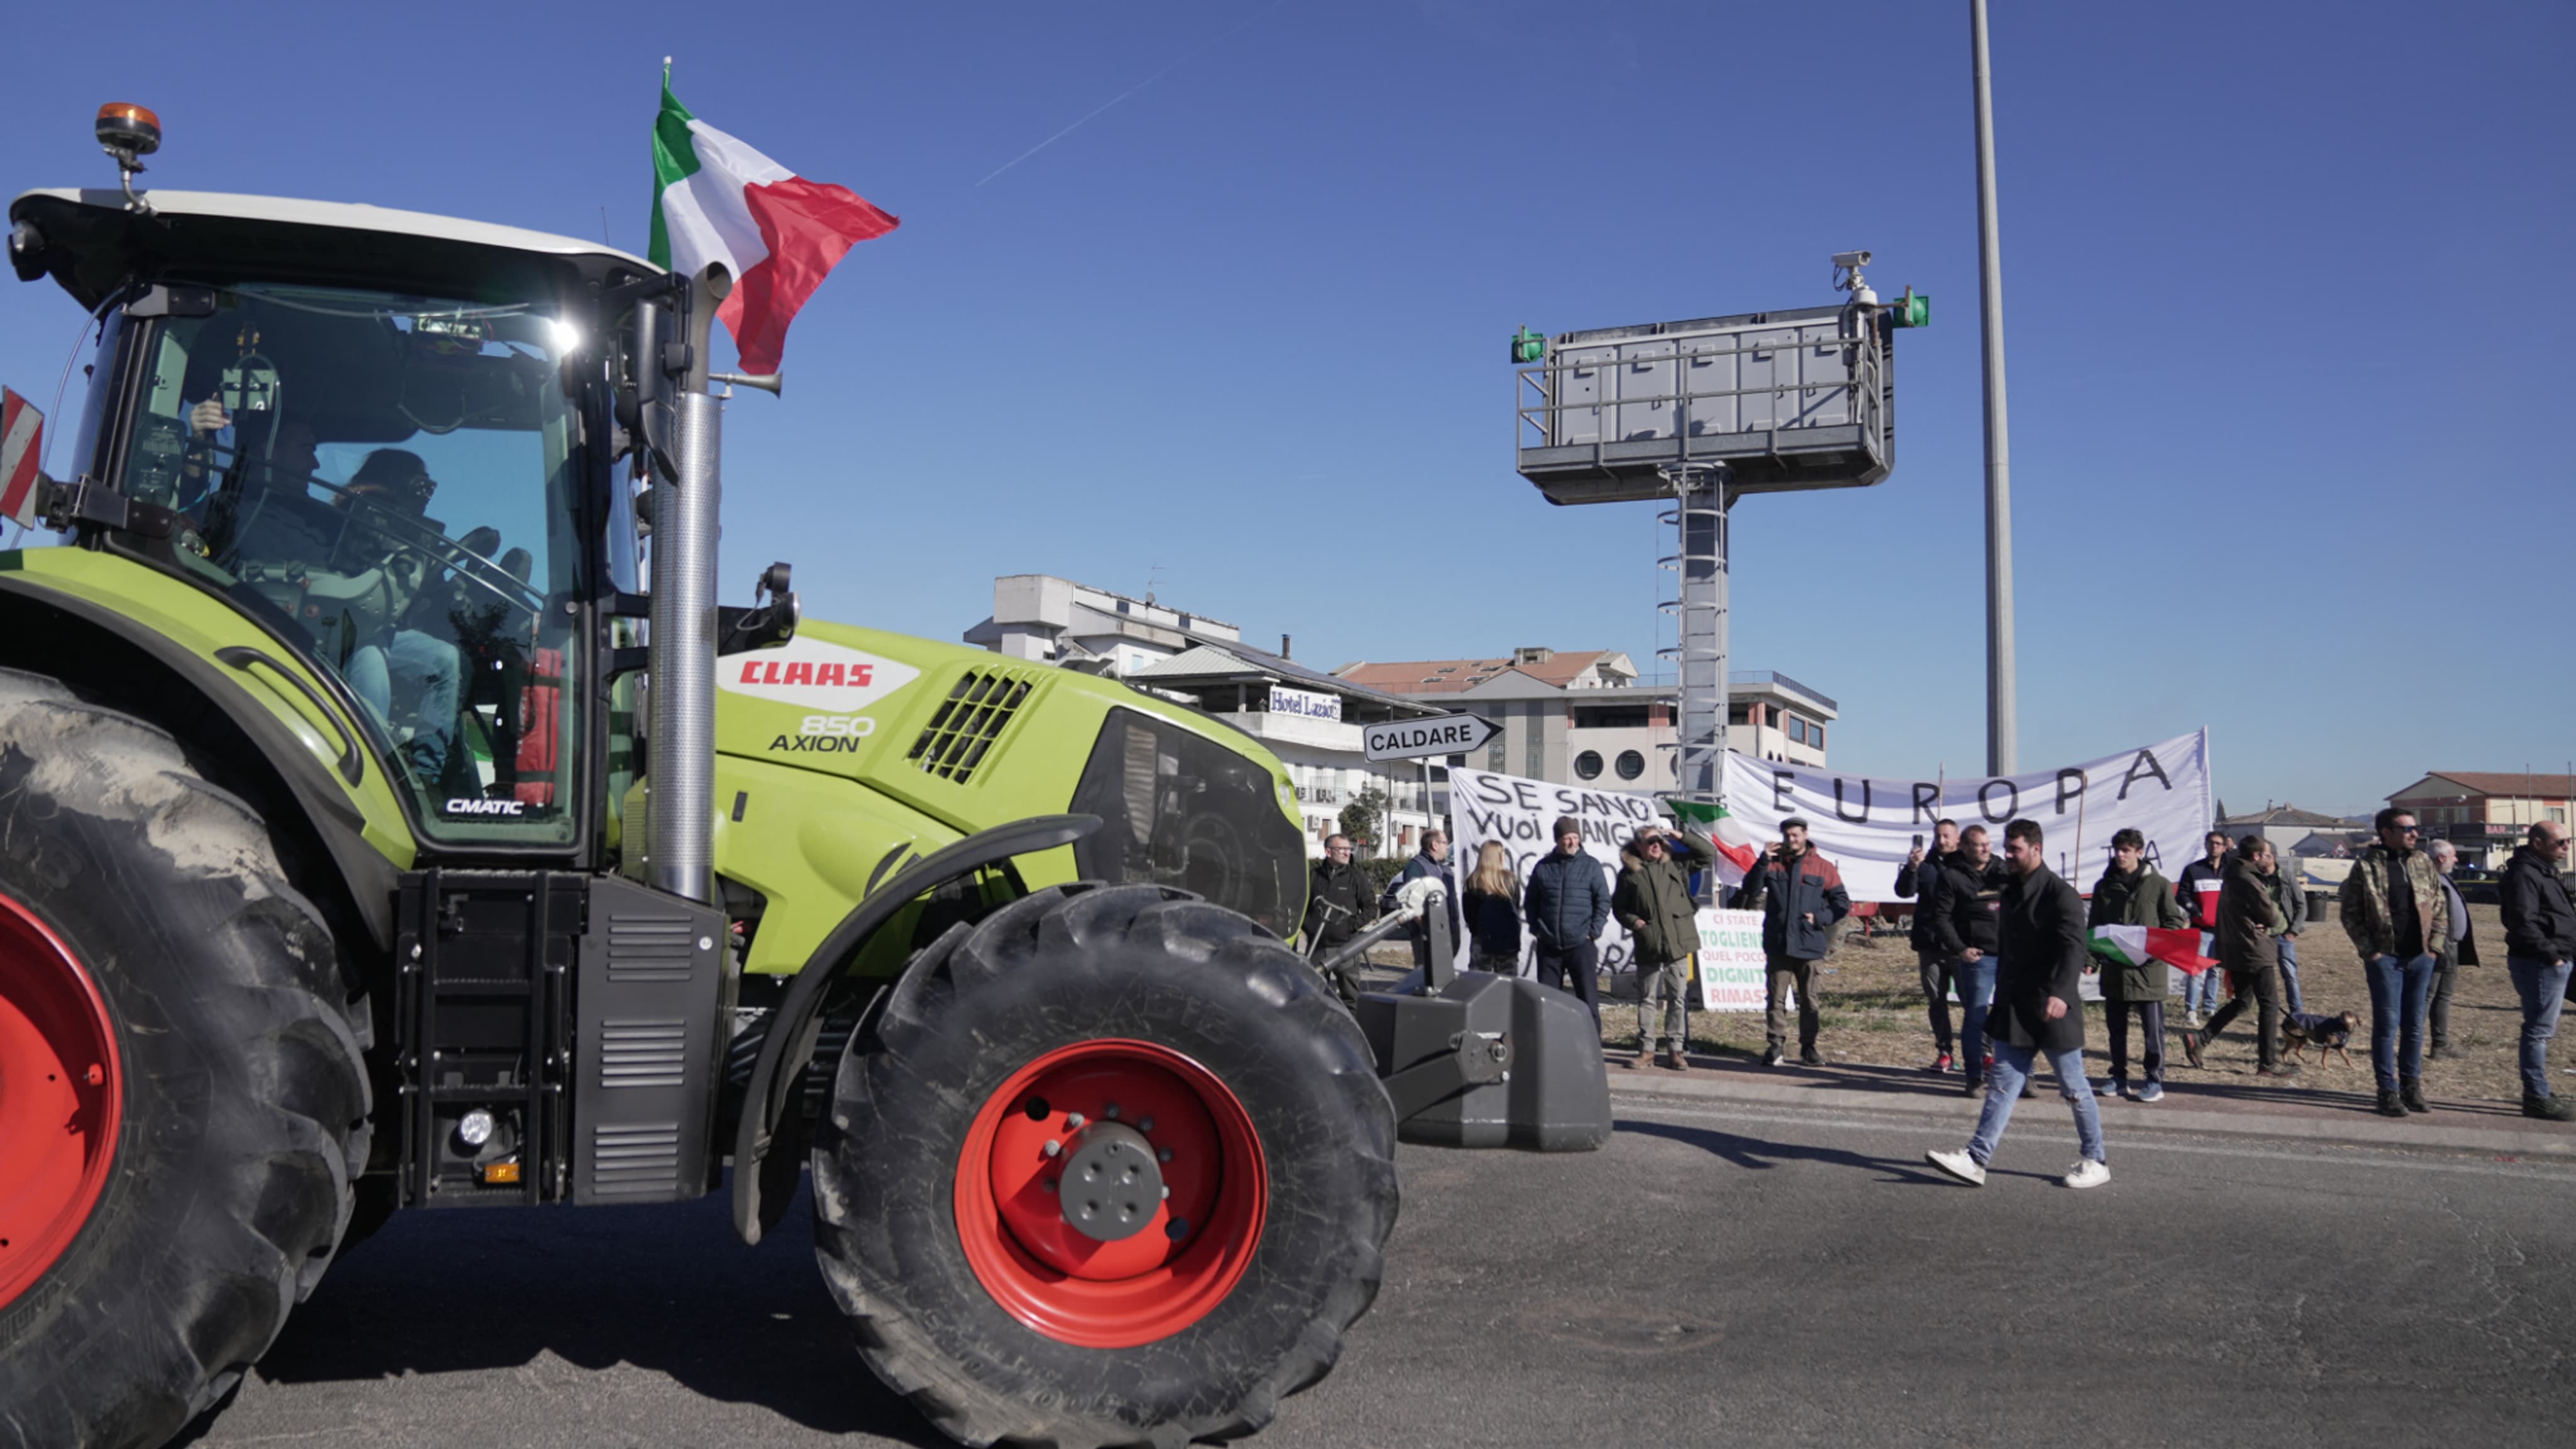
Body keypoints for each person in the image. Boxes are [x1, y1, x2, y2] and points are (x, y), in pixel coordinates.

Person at [1926, 819, 2110, 1190]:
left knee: (2073, 1087)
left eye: (2015, 850)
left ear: (2036, 850)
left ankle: (2096, 1159)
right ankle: (1976, 1158)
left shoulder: (2061, 894)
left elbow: (2074, 947)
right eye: (2006, 849)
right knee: (2002, 1086)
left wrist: (2061, 993)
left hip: (2053, 1005)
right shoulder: (2007, 889)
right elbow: (1963, 868)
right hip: (2015, 1006)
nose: (2007, 856)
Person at [2338, 808, 2450, 1118]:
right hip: (2386, 959)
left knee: (2414, 1026)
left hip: (2421, 958)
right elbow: (2350, 914)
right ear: (2387, 833)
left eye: (2415, 828)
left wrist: (2434, 948)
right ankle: (2387, 1091)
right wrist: (2370, 952)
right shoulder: (2367, 867)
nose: (2415, 834)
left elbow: (2440, 905)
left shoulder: (2423, 862)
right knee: (2387, 1026)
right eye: (2407, 829)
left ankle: (2411, 1087)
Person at [1731, 817, 1850, 1067]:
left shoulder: (1823, 867)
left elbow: (1841, 903)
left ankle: (1809, 1048)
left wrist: (1821, 918)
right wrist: (1762, 860)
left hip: (1810, 945)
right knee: (1776, 998)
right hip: (1779, 944)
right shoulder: (1773, 864)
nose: (1791, 840)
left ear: (1806, 835)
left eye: (1795, 835)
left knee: (1809, 1000)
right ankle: (1775, 1046)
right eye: (1787, 835)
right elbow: (1750, 889)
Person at [2184, 835, 2301, 1079]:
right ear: (2256, 856)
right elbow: (2270, 916)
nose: (2269, 859)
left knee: (2242, 1001)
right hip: (2254, 948)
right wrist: (2276, 921)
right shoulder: (2249, 879)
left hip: (2236, 948)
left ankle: (2201, 1038)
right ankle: (2268, 1063)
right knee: (2269, 1005)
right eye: (2266, 854)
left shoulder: (2232, 873)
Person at [2089, 827, 2187, 1102]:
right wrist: (2091, 960)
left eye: (2126, 851)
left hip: (2148, 970)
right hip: (2115, 969)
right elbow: (2094, 928)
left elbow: (2173, 922)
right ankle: (2118, 1076)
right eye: (2117, 850)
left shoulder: (2159, 885)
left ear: (2139, 853)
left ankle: (2154, 1079)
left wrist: (2153, 947)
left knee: (2152, 1031)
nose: (2120, 855)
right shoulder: (2104, 886)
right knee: (2115, 1029)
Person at [1614, 823, 1711, 1072]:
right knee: (1647, 999)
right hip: (1650, 942)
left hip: (1678, 942)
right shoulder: (1629, 874)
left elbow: (1707, 854)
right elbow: (1619, 908)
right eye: (1650, 841)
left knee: (1677, 998)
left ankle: (1675, 1051)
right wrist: (1634, 922)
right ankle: (1647, 1051)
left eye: (1658, 840)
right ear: (1639, 846)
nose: (1656, 845)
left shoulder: (1676, 864)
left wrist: (1681, 836)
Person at [2497, 821, 2576, 1121]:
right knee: (2539, 1029)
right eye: (2560, 842)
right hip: (2540, 963)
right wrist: (2553, 955)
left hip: (2561, 958)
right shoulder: (2524, 874)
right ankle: (2536, 1096)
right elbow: (2522, 923)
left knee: (2542, 1028)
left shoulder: (2543, 870)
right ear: (2538, 843)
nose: (2566, 847)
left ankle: (2540, 1091)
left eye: (2568, 841)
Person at [1927, 824, 2008, 1096]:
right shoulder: (1952, 876)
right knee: (1976, 1016)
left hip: (2009, 954)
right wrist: (1960, 948)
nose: (1985, 849)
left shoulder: (2004, 871)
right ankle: (1974, 1076)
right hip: (1979, 958)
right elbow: (1942, 917)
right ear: (1964, 847)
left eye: (1988, 843)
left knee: (2014, 1014)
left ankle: (2023, 1075)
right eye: (1978, 845)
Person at [1524, 816, 1610, 1024]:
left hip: (1581, 944)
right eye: (1567, 838)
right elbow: (1531, 902)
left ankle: (1592, 1049)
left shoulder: (1591, 866)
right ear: (1557, 840)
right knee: (1547, 1002)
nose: (1572, 842)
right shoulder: (1543, 867)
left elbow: (1603, 901)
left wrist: (1593, 932)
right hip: (1549, 946)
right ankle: (1549, 1049)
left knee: (1588, 1001)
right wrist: (1537, 929)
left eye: (1575, 837)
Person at [1895, 818, 1965, 1072]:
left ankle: (1983, 1052)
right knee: (1936, 1000)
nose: (1942, 840)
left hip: (1960, 945)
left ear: (1958, 839)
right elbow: (1903, 892)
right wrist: (1911, 869)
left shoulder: (1967, 864)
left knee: (1972, 1002)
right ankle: (1944, 1052)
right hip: (1930, 945)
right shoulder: (1924, 865)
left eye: (1947, 836)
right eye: (1938, 835)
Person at [2175, 830, 2233, 1026]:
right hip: (2200, 929)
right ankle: (2191, 1010)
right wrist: (2194, 910)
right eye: (2211, 843)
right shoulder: (2193, 870)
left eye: (2218, 843)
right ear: (2206, 845)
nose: (2214, 846)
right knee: (2195, 971)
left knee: (2215, 970)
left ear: (2225, 847)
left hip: (2222, 929)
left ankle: (2210, 1008)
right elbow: (2182, 894)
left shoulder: (2231, 871)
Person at [1382, 829, 1460, 973]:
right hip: (1429, 935)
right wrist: (1431, 929)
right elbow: (1412, 905)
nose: (1448, 847)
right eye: (1445, 843)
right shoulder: (1417, 867)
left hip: (1449, 931)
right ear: (1434, 845)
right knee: (1428, 976)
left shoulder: (1445, 867)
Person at [2426, 839, 2475, 1058]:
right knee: (2426, 997)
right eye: (2454, 855)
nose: (2457, 859)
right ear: (2441, 858)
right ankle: (2412, 1045)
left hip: (2452, 948)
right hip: (2435, 948)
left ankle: (2441, 1045)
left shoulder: (2444, 878)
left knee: (2444, 997)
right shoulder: (2428, 880)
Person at [1302, 835, 1376, 957]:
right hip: (1316, 947)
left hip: (1346, 948)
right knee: (1314, 977)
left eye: (1349, 849)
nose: (1347, 853)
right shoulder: (1313, 876)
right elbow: (1301, 905)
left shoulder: (1357, 878)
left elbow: (1372, 908)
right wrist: (1309, 926)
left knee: (1349, 977)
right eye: (1342, 849)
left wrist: (1351, 926)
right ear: (1328, 852)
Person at [1460, 841, 1525, 977]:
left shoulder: (1472, 881)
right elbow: (1516, 907)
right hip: (1507, 941)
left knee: (1479, 984)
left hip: (1481, 940)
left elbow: (1469, 915)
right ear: (1500, 856)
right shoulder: (1510, 879)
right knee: (1507, 985)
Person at [2270, 841, 2309, 1018]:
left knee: (2290, 976)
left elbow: (2301, 905)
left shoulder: (2286, 877)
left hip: (2283, 937)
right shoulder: (2254, 879)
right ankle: (2268, 1012)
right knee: (2265, 979)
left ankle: (2297, 1014)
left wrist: (2293, 930)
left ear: (2273, 857)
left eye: (2264, 855)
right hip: (2262, 938)